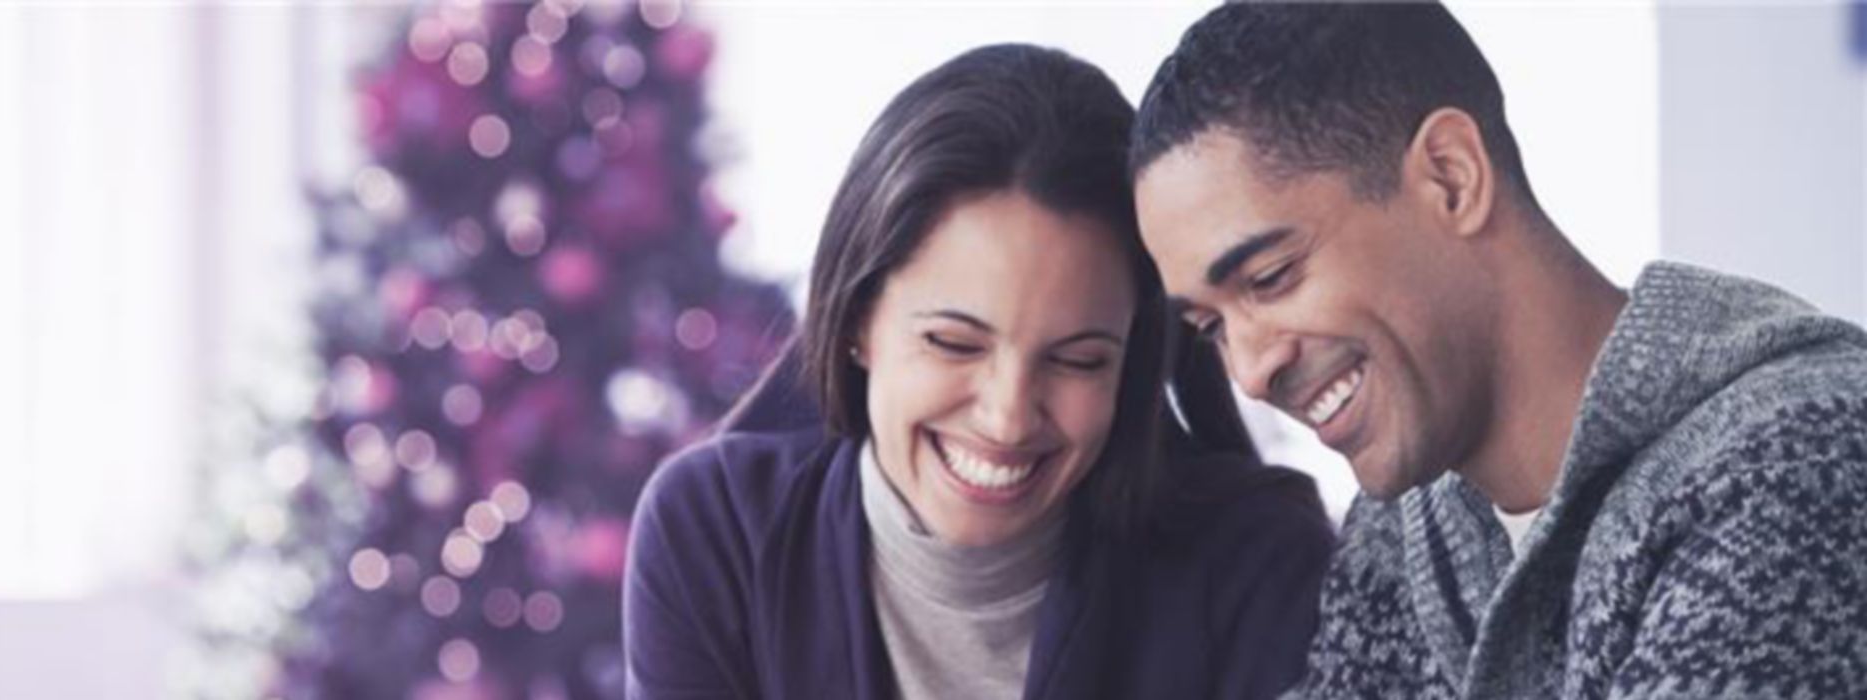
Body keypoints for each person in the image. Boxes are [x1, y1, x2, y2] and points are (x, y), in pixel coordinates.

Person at [1126, 3, 1867, 698]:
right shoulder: (1405, 530)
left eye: (1271, 277)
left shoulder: (1799, 459)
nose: (1251, 372)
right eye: (1211, 329)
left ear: (1451, 176)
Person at [622, 44, 1333, 700]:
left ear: (1135, 362)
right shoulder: (716, 535)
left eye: (1078, 360)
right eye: (955, 344)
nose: (1008, 416)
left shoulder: (1257, 565)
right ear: (857, 322)